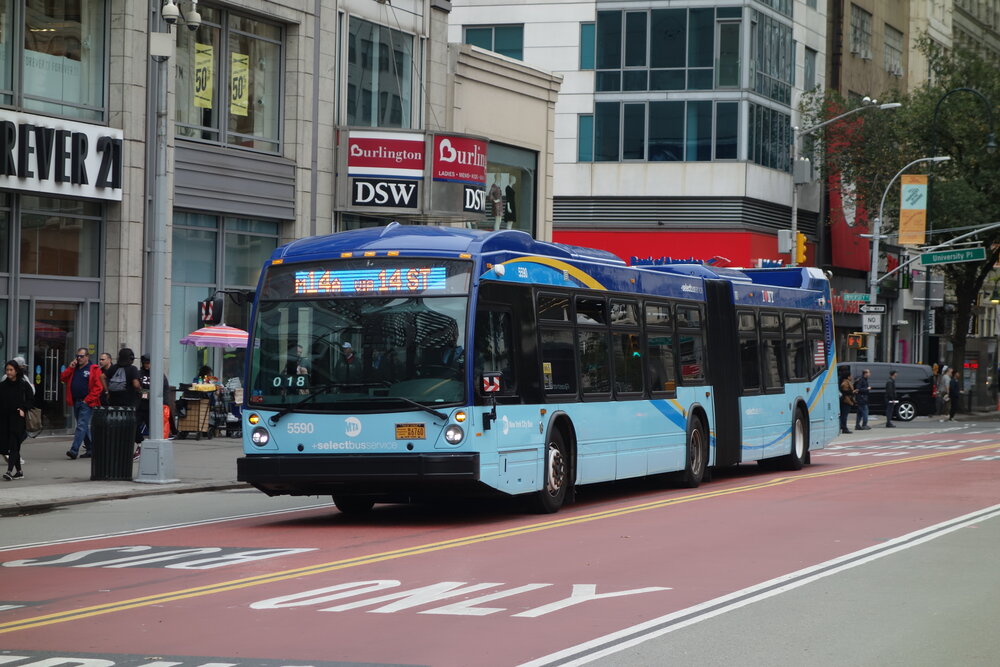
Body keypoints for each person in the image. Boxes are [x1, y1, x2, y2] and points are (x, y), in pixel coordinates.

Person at [60, 348, 103, 459]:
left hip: (86, 402)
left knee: (81, 425)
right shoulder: (74, 368)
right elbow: (63, 378)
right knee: (82, 426)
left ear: (87, 357)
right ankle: (91, 449)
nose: (79, 358)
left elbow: (98, 387)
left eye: (81, 356)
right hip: (76, 401)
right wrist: (70, 367)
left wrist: (87, 400)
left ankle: (74, 450)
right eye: (77, 356)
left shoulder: (94, 369)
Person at [0, 360, 32, 480]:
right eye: (7, 370)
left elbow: (31, 399)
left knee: (14, 445)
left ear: (16, 371)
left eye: (11, 370)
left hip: (18, 418)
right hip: (5, 420)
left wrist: (24, 408)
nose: (8, 372)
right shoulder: (2, 386)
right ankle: (19, 471)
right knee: (12, 446)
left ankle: (9, 471)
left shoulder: (23, 384)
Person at [838, 367, 855, 434]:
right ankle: (844, 428)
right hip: (846, 401)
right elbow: (845, 391)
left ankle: (843, 427)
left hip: (845, 400)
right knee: (844, 415)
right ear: (848, 377)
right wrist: (852, 392)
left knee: (843, 415)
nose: (852, 377)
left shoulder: (845, 381)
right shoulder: (845, 383)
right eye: (851, 376)